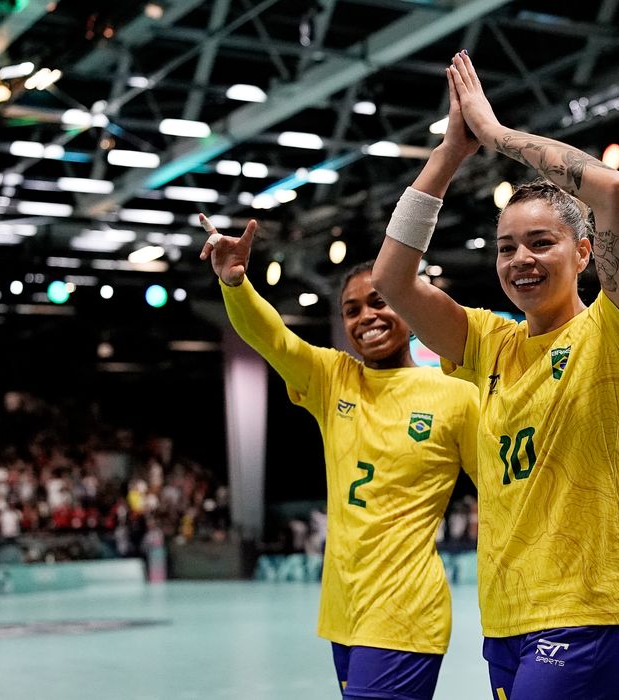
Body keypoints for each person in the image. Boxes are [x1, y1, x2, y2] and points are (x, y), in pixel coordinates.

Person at [371, 51, 619, 700]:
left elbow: (612, 192)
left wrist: (497, 138)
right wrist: (449, 155)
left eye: (540, 242)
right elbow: (391, 279)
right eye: (506, 247)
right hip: (504, 622)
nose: (520, 259)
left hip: (584, 618)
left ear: (584, 251)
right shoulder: (489, 343)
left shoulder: (614, 330)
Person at [198, 218, 479, 700]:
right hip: (343, 611)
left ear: (408, 308)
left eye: (379, 301)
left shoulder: (455, 397)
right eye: (352, 310)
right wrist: (235, 283)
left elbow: (500, 490)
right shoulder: (334, 380)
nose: (366, 317)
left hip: (405, 611)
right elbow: (273, 339)